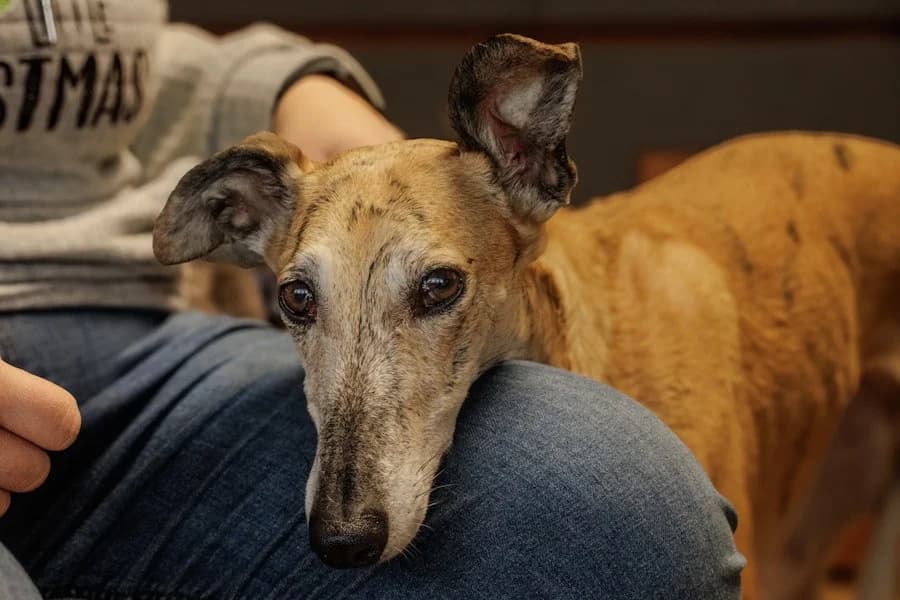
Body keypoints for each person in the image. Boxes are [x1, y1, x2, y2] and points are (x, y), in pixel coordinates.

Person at [0, 1, 745, 597]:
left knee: (649, 522)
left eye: (435, 288)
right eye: (301, 300)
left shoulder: (500, 194)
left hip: (137, 338)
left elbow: (105, 59)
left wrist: (285, 85)